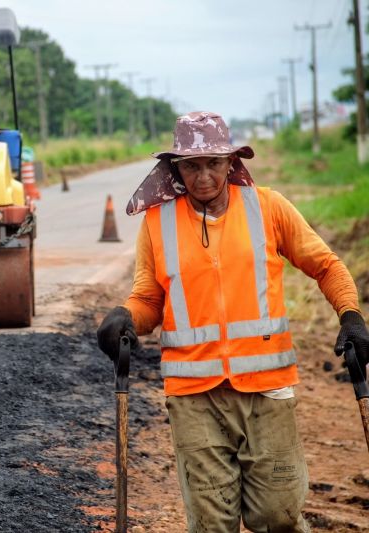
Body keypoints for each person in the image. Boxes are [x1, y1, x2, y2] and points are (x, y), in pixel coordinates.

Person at [96, 111, 369, 532]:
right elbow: (150, 299)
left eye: (213, 163)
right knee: (211, 524)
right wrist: (125, 317)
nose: (203, 175)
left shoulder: (268, 208)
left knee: (277, 517)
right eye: (191, 165)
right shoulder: (158, 222)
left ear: (231, 162)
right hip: (193, 397)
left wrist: (350, 316)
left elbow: (327, 267)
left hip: (267, 391)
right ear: (175, 168)